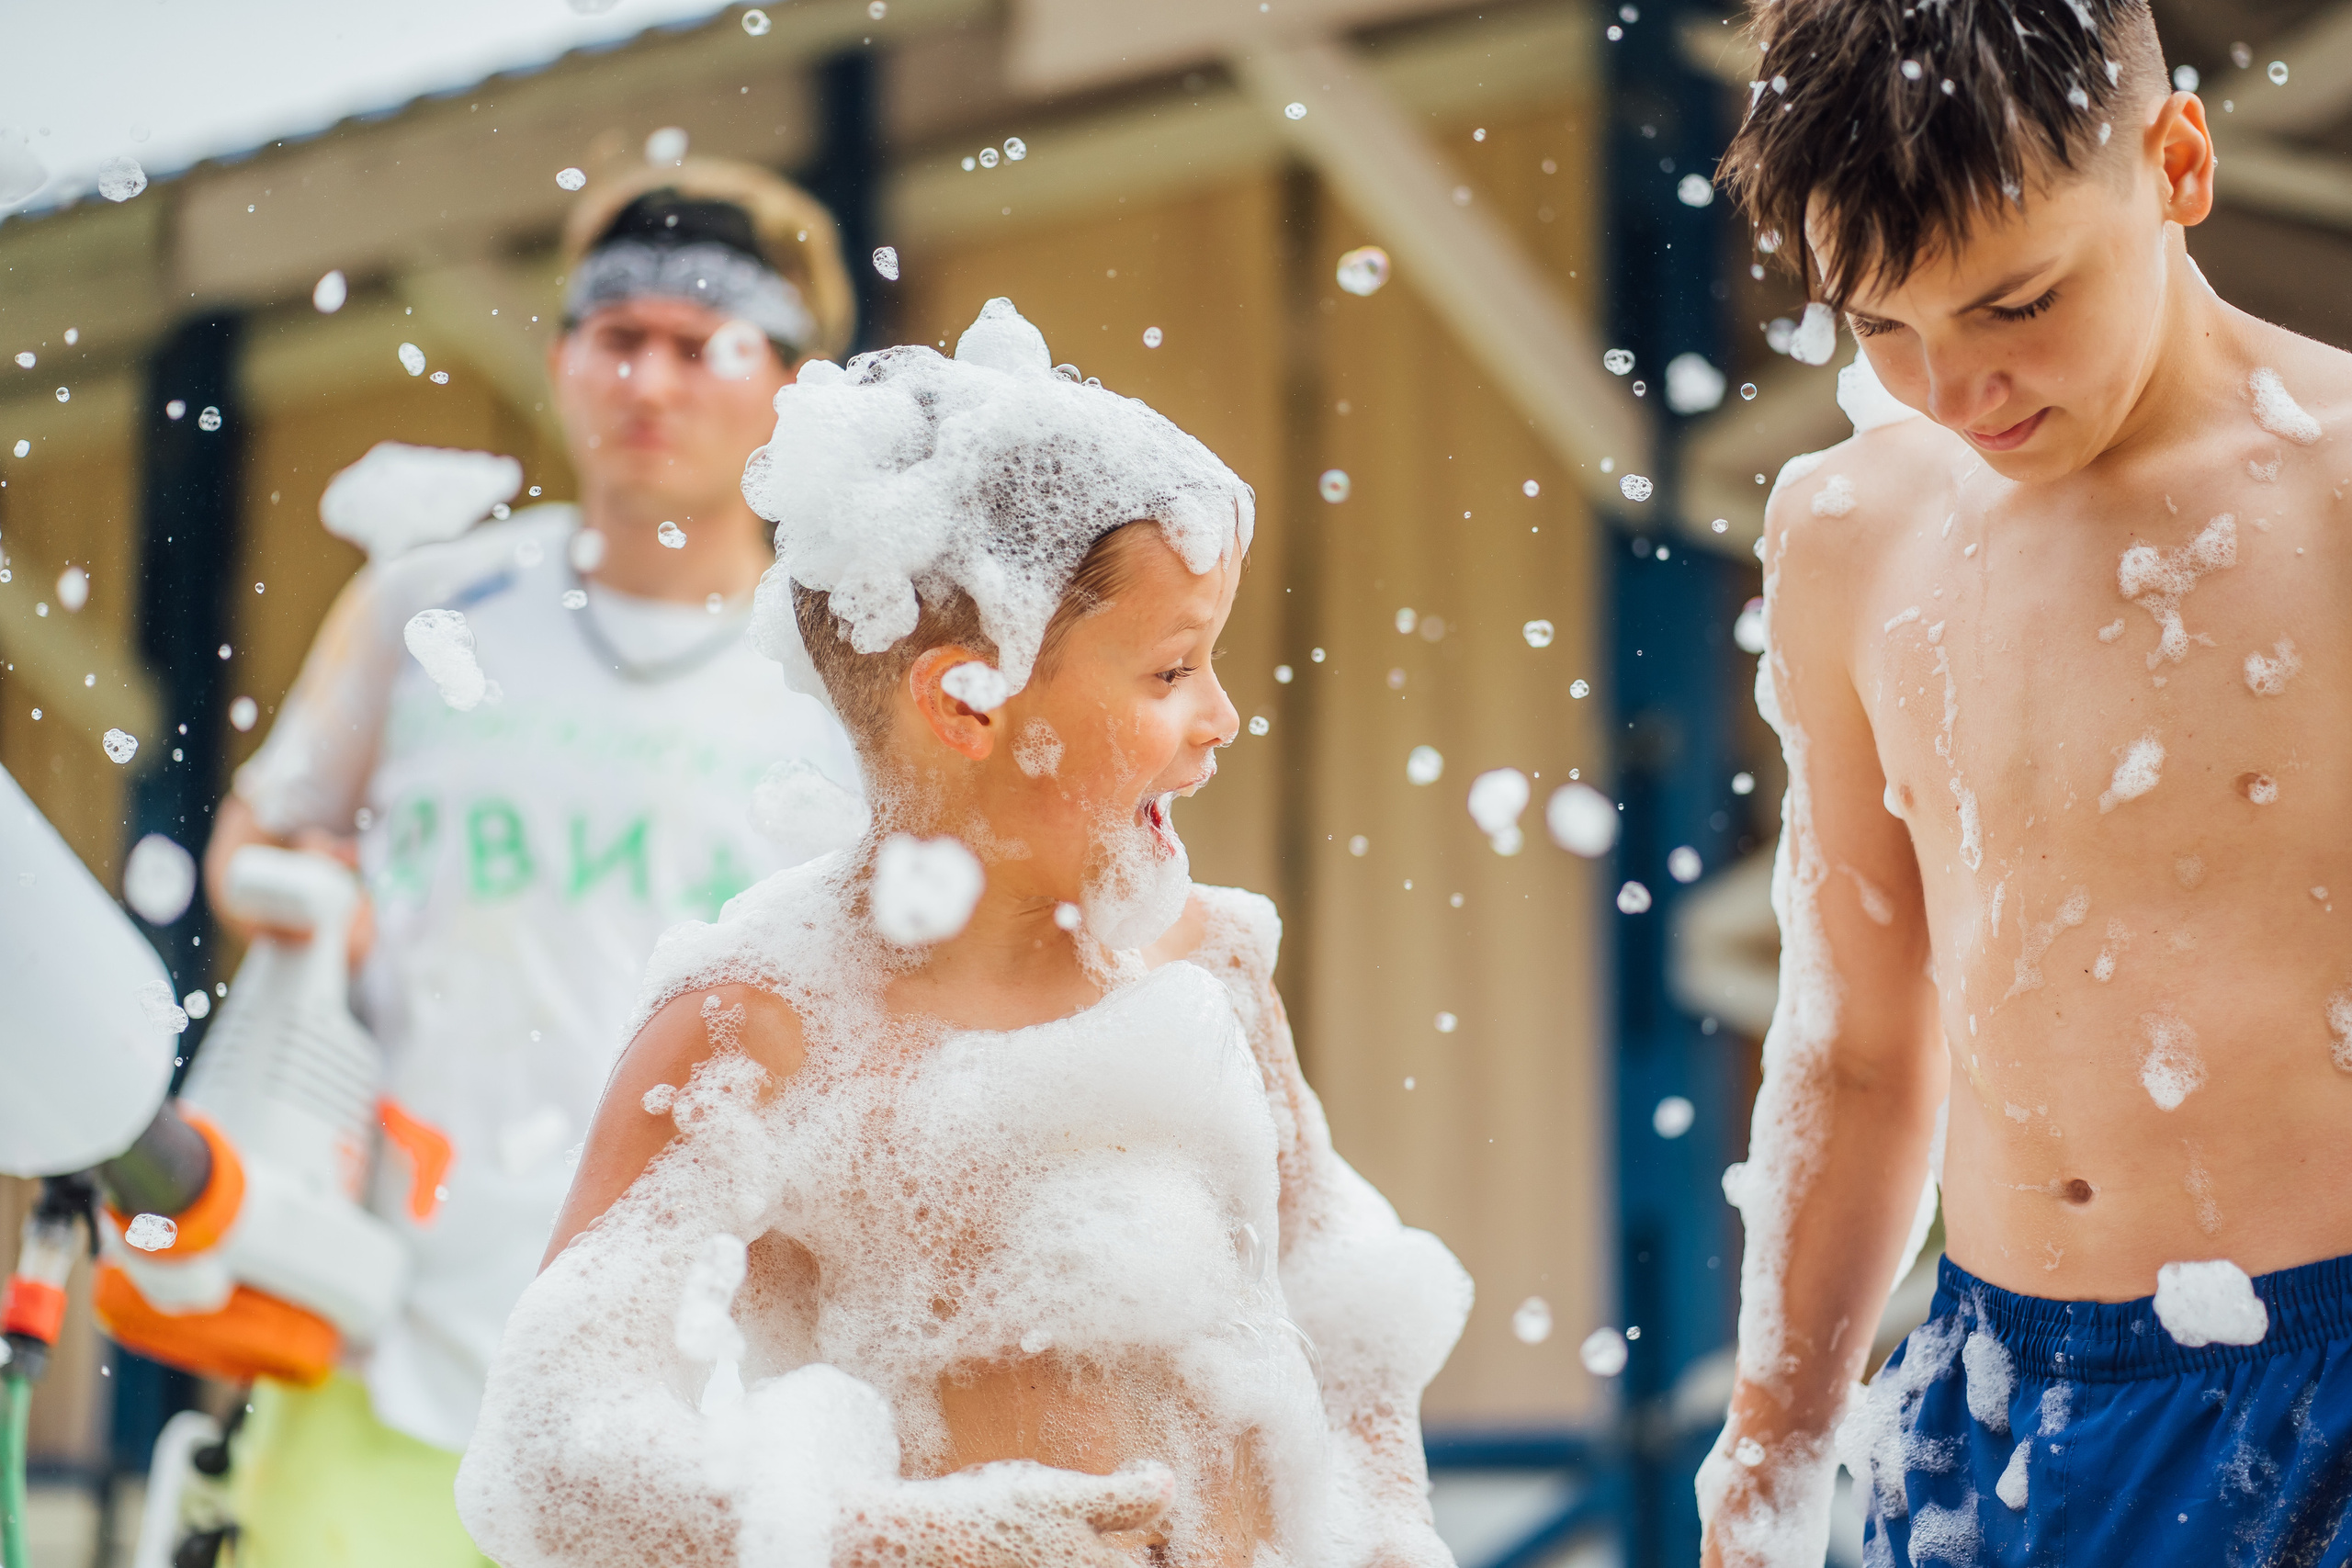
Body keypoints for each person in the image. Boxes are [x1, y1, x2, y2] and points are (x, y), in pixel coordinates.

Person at [454, 299, 1473, 1568]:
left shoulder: (1202, 968)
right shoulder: (759, 1023)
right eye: (1170, 672)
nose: (1220, 717)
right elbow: (557, 1467)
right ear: (968, 701)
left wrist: (1387, 1541)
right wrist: (913, 1539)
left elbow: (1349, 1330)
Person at [1695, 0, 2352, 1562]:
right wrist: (1777, 1436)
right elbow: (1856, 1038)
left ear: (2175, 161)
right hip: (2006, 1406)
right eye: (1881, 325)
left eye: (2020, 303)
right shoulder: (1850, 536)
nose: (1957, 387)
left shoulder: (2335, 493)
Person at [194, 157, 865, 1567]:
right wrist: (304, 902)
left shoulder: (836, 674)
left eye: (703, 346)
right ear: (562, 360)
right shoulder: (430, 605)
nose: (651, 382)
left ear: (789, 389)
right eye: (618, 338)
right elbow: (254, 841)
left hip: (687, 1394)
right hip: (377, 1341)